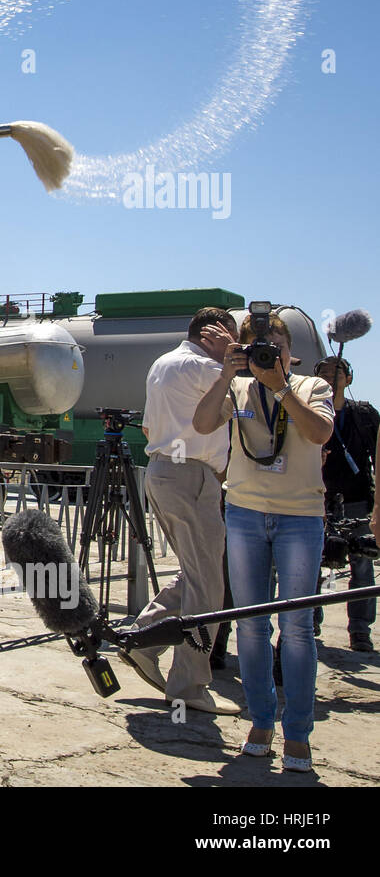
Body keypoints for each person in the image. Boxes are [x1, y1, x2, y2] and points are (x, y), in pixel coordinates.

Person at [193, 312, 334, 773]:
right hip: (247, 513)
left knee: (295, 628)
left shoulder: (313, 387)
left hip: (299, 517)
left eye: (274, 348)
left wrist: (281, 387)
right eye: (258, 349)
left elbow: (318, 432)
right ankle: (259, 721)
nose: (267, 356)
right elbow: (201, 424)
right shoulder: (236, 388)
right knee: (250, 624)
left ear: (290, 352)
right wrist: (225, 374)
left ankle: (297, 733)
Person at [121, 308, 241, 715]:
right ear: (214, 335)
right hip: (192, 476)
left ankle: (142, 638)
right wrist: (231, 359)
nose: (236, 350)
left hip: (165, 471)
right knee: (209, 587)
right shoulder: (204, 367)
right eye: (231, 340)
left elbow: (152, 430)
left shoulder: (164, 363)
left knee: (196, 574)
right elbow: (252, 396)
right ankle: (188, 686)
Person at [316, 356, 379, 652]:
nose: (331, 376)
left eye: (337, 371)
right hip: (316, 499)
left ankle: (360, 630)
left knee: (363, 566)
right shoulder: (310, 411)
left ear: (349, 378)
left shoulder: (364, 414)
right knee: (310, 565)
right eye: (324, 372)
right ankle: (311, 621)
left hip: (356, 501)